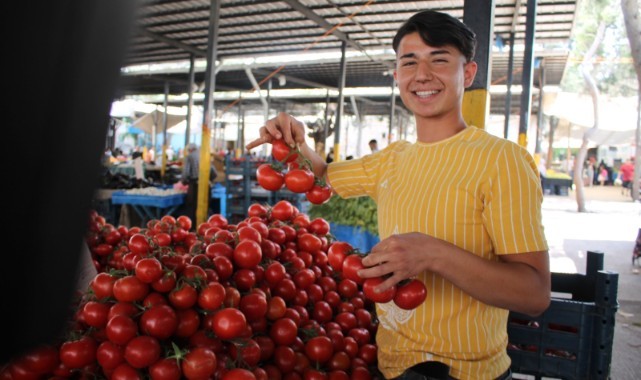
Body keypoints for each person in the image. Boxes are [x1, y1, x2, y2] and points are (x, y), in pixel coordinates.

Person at [247, 10, 549, 380]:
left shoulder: (503, 160)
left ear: (467, 74)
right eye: (410, 62)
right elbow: (321, 177)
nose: (422, 74)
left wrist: (434, 253)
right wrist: (294, 140)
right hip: (391, 364)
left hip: (465, 372)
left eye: (439, 59)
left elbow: (534, 294)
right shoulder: (392, 158)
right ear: (397, 77)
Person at [181, 143, 218, 224]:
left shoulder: (189, 157)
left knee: (192, 208)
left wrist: (184, 182)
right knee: (206, 207)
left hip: (195, 186)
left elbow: (185, 173)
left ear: (190, 150)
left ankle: (193, 228)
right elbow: (214, 173)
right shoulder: (205, 156)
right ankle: (205, 227)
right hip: (206, 185)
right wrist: (208, 180)